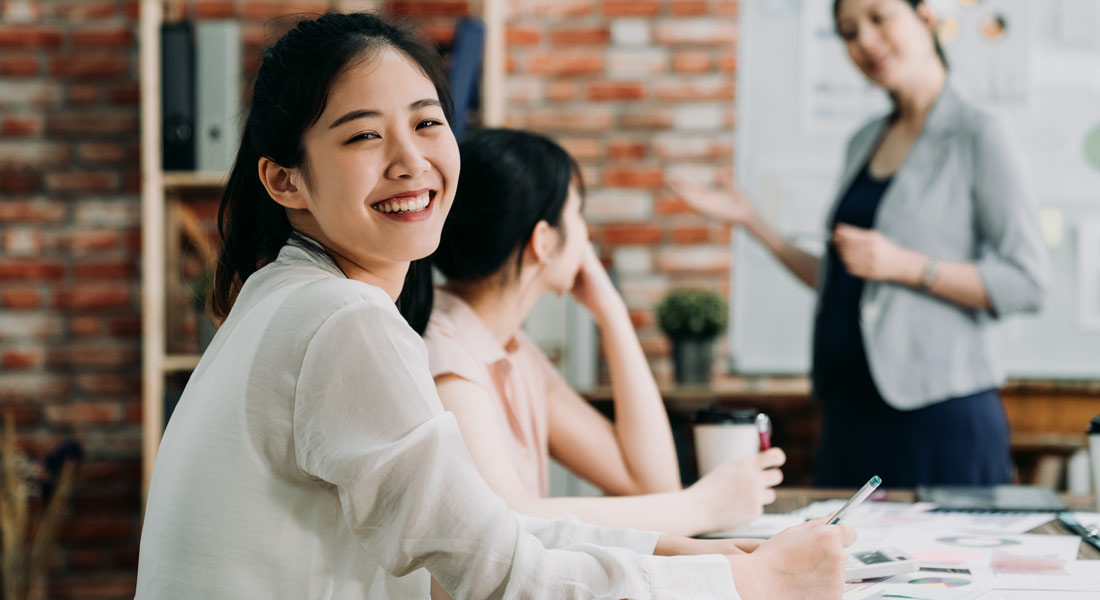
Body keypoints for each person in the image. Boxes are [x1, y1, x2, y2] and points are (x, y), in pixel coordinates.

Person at [134, 11, 854, 600]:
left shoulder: (286, 295)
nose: (410, 160)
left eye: (426, 123)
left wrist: (699, 557)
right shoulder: (342, 321)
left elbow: (486, 529)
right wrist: (746, 584)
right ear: (284, 181)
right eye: (362, 136)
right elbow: (497, 574)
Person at [671, 0, 1046, 488]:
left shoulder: (979, 133)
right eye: (848, 32)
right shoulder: (864, 140)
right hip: (848, 410)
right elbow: (841, 275)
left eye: (878, 18)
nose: (864, 41)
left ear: (926, 18)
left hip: (937, 416)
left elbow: (1027, 282)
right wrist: (751, 221)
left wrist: (906, 266)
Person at [420, 128, 784, 540]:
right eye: (578, 215)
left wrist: (611, 312)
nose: (586, 238)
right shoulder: (444, 353)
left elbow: (649, 483)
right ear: (544, 241)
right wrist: (703, 506)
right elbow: (508, 522)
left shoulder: (511, 349)